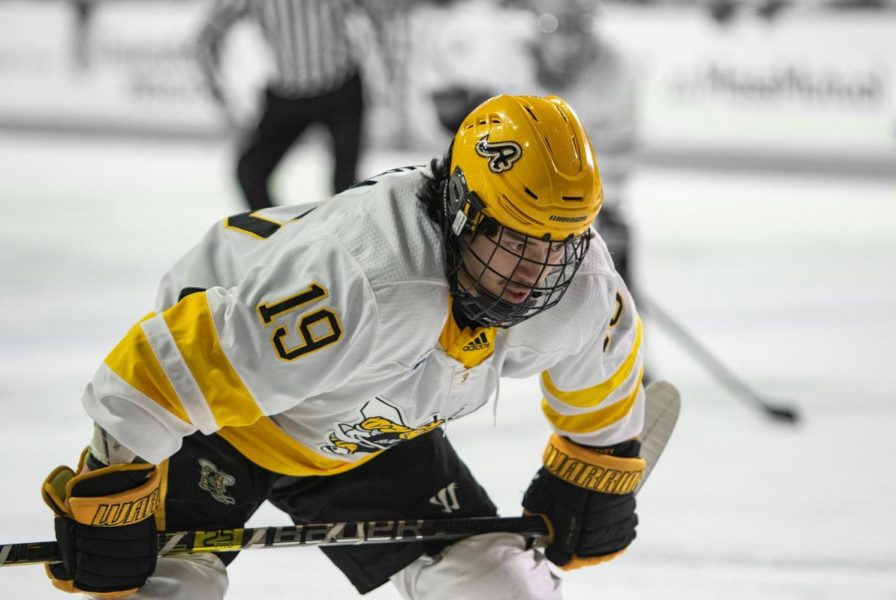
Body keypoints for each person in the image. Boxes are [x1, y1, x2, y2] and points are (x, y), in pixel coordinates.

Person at [41, 94, 647, 599]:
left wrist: (593, 469)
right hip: (222, 427)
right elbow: (152, 375)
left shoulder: (581, 287)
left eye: (560, 243)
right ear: (463, 208)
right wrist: (111, 491)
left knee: (502, 586)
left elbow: (605, 367)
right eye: (515, 239)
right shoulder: (365, 283)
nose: (536, 272)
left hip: (363, 426)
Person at [196, 0, 394, 211]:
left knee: (346, 186)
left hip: (340, 89)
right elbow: (208, 38)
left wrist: (385, 76)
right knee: (250, 172)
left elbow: (379, 15)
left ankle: (347, 241)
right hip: (288, 95)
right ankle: (281, 237)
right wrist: (221, 94)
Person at [525, 0, 641, 289]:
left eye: (576, 27)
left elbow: (617, 145)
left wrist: (609, 202)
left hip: (583, 198)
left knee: (605, 290)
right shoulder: (515, 55)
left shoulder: (615, 69)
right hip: (528, 198)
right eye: (554, 25)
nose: (565, 44)